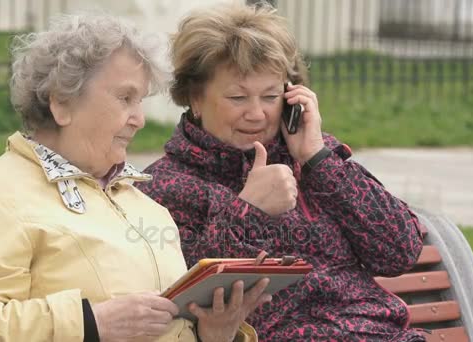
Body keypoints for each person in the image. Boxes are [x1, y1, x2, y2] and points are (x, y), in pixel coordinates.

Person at [0, 13, 271, 342]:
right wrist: (94, 322)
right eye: (125, 98)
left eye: (141, 102)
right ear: (61, 103)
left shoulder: (142, 204)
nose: (140, 119)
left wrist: (216, 332)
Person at [135, 3, 426, 341]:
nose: (257, 114)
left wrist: (319, 160)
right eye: (238, 97)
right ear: (195, 99)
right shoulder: (167, 186)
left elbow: (399, 251)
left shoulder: (314, 160)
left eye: (270, 96)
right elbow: (187, 298)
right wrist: (248, 211)